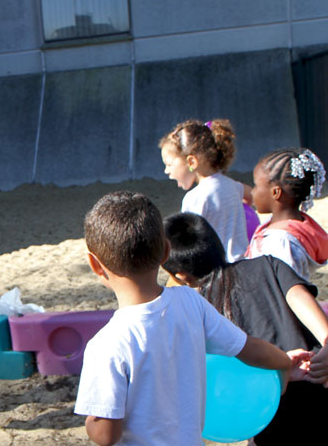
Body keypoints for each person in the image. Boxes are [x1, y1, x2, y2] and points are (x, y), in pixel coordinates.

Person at [74, 191, 299, 446]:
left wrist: (92, 422)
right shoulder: (190, 303)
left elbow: (106, 436)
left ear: (95, 264)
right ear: (166, 251)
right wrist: (284, 361)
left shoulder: (105, 345)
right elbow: (248, 348)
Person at [163, 211, 328, 445]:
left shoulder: (197, 310)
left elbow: (227, 386)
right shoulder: (269, 264)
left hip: (269, 417)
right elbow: (305, 305)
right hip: (316, 383)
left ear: (182, 276)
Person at [159, 119, 251, 262]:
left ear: (191, 162)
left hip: (216, 271)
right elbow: (252, 195)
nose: (166, 171)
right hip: (243, 265)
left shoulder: (195, 197)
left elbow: (186, 242)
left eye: (169, 164)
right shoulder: (233, 185)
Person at [246, 147, 328, 281]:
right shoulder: (294, 227)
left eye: (255, 186)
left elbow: (283, 288)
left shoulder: (281, 241)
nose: (252, 192)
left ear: (275, 193)